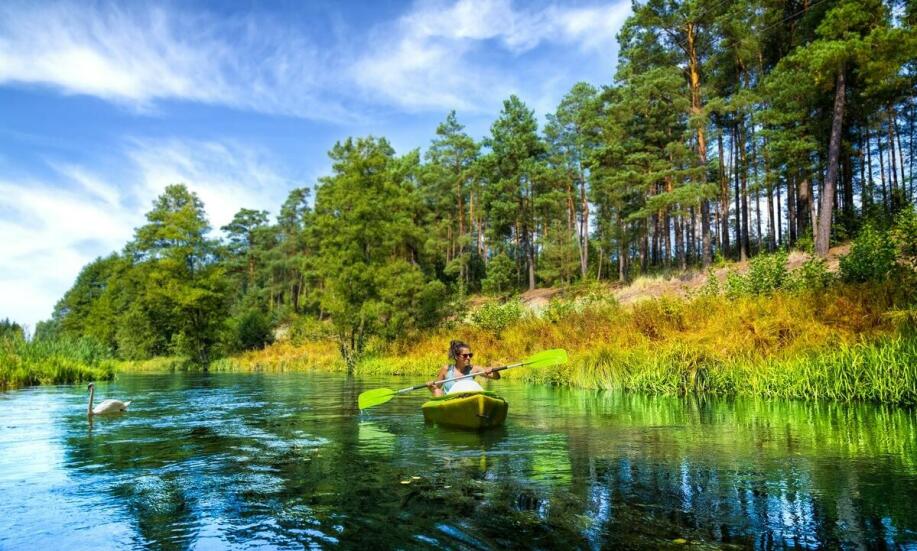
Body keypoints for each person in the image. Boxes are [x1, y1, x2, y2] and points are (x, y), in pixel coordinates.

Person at [427, 340, 500, 397]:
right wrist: (431, 386)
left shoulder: (474, 369)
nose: (468, 358)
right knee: (437, 391)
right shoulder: (446, 369)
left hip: (467, 400)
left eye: (470, 355)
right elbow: (437, 387)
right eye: (465, 355)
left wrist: (494, 370)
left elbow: (496, 377)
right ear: (456, 357)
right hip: (449, 402)